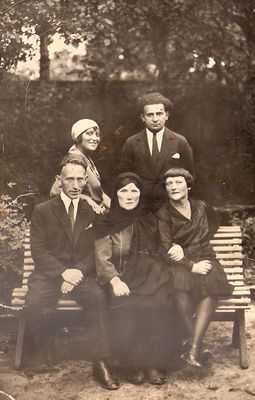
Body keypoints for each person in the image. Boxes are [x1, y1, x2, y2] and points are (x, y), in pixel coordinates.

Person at [26, 154, 119, 390]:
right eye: (70, 180)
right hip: (49, 275)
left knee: (97, 297)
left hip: (81, 273)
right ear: (60, 180)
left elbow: (95, 251)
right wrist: (62, 274)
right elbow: (39, 250)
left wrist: (77, 271)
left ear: (87, 179)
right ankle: (41, 350)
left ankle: (100, 361)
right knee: (34, 300)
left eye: (80, 179)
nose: (76, 185)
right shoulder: (43, 210)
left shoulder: (93, 211)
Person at [94, 172, 180, 386]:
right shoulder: (106, 222)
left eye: (134, 190)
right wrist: (114, 280)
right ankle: (132, 363)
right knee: (128, 305)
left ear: (140, 194)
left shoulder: (150, 219)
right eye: (124, 191)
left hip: (149, 275)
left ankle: (152, 362)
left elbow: (164, 245)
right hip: (120, 277)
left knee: (159, 303)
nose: (130, 196)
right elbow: (102, 258)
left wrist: (176, 247)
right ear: (116, 195)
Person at [157, 168, 233, 367]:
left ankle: (191, 347)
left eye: (178, 182)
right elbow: (165, 248)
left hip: (206, 257)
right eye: (169, 184)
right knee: (180, 288)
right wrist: (189, 263)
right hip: (180, 262)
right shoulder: (164, 213)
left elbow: (214, 224)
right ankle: (196, 347)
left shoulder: (201, 207)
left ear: (188, 186)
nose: (173, 187)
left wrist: (201, 245)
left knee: (210, 285)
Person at [120, 92, 194, 212]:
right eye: (150, 115)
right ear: (143, 117)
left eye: (159, 114)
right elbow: (125, 177)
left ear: (167, 115)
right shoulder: (131, 143)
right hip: (142, 206)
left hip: (172, 205)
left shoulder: (180, 141)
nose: (155, 119)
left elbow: (190, 176)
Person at [50, 119, 111, 213]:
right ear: (78, 137)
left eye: (97, 134)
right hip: (81, 215)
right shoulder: (75, 159)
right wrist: (85, 198)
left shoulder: (86, 159)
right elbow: (55, 191)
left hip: (97, 212)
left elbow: (100, 193)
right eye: (89, 133)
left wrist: (116, 209)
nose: (95, 138)